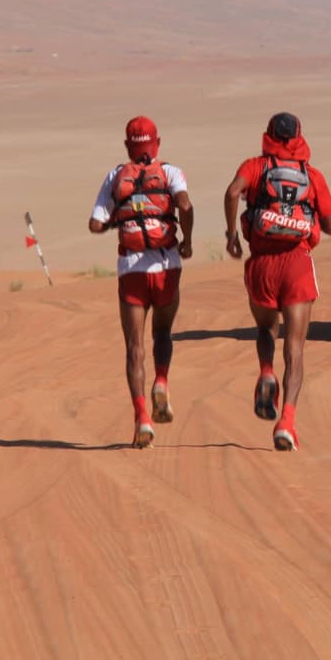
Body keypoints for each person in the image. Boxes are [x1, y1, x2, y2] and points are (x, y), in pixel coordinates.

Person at [223, 112, 331, 451]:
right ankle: (286, 422)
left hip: (262, 264)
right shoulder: (312, 176)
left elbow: (233, 194)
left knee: (265, 329)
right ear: (299, 137)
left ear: (269, 135)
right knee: (296, 346)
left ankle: (265, 372)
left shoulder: (255, 167)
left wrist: (232, 236)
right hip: (297, 264)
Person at [88, 116, 194, 448]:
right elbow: (186, 205)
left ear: (127, 146)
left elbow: (94, 223)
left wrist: (119, 219)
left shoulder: (115, 176)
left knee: (134, 348)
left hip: (131, 271)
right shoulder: (171, 172)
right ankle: (161, 382)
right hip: (167, 266)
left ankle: (142, 418)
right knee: (162, 332)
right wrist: (187, 241)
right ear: (156, 143)